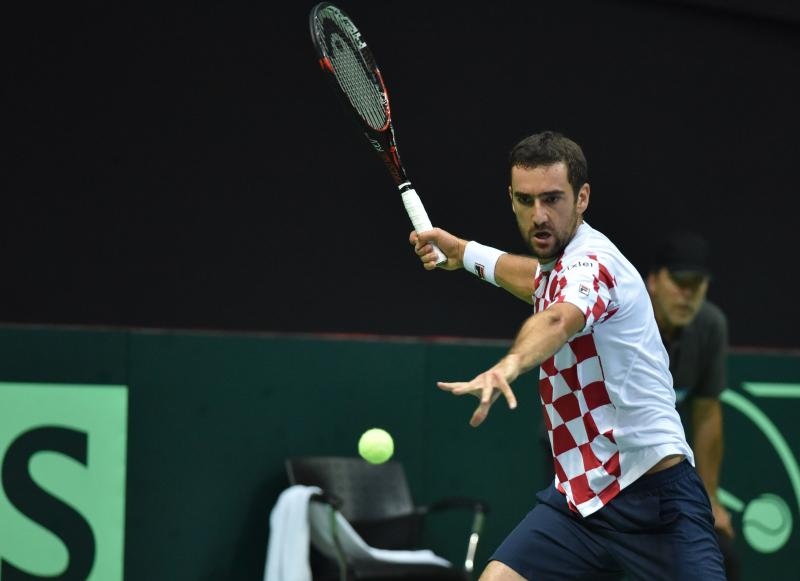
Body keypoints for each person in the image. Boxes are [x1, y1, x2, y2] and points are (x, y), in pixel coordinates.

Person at [409, 131, 726, 580]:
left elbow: (558, 318)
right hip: (580, 500)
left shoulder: (593, 263)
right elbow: (538, 280)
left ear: (582, 198)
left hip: (656, 501)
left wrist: (510, 364)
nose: (539, 215)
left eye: (553, 199)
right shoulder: (559, 265)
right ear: (511, 199)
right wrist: (465, 253)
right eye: (525, 200)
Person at [647, 231, 740, 580]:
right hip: (588, 457)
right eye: (679, 282)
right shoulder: (622, 319)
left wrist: (710, 500)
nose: (687, 294)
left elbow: (706, 413)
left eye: (697, 285)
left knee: (721, 555)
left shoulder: (710, 326)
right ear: (653, 281)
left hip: (659, 472)